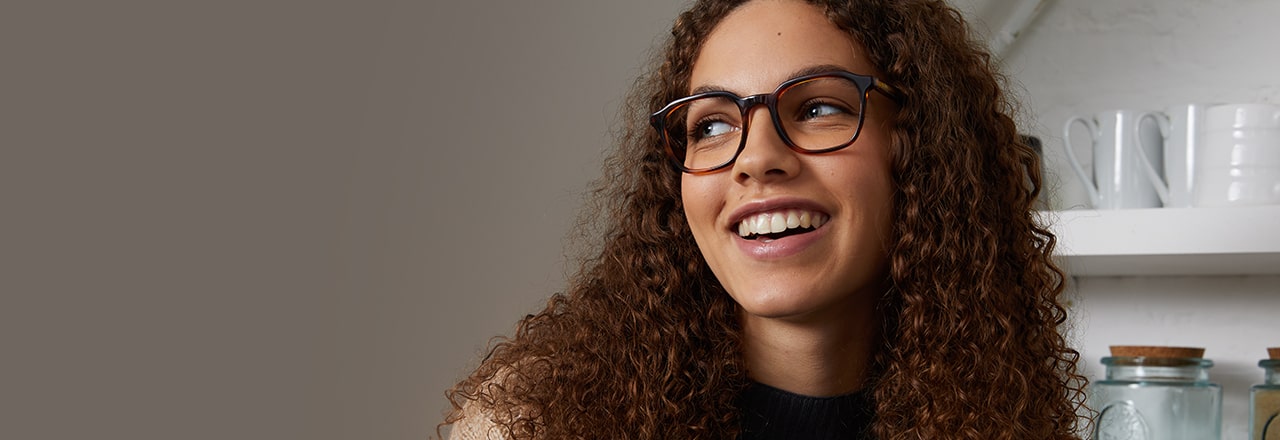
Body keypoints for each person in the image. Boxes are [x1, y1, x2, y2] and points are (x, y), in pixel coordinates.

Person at [442, 0, 1087, 438]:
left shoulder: (1008, 419)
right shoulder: (535, 425)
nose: (756, 160)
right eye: (713, 125)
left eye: (817, 109)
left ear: (917, 148)